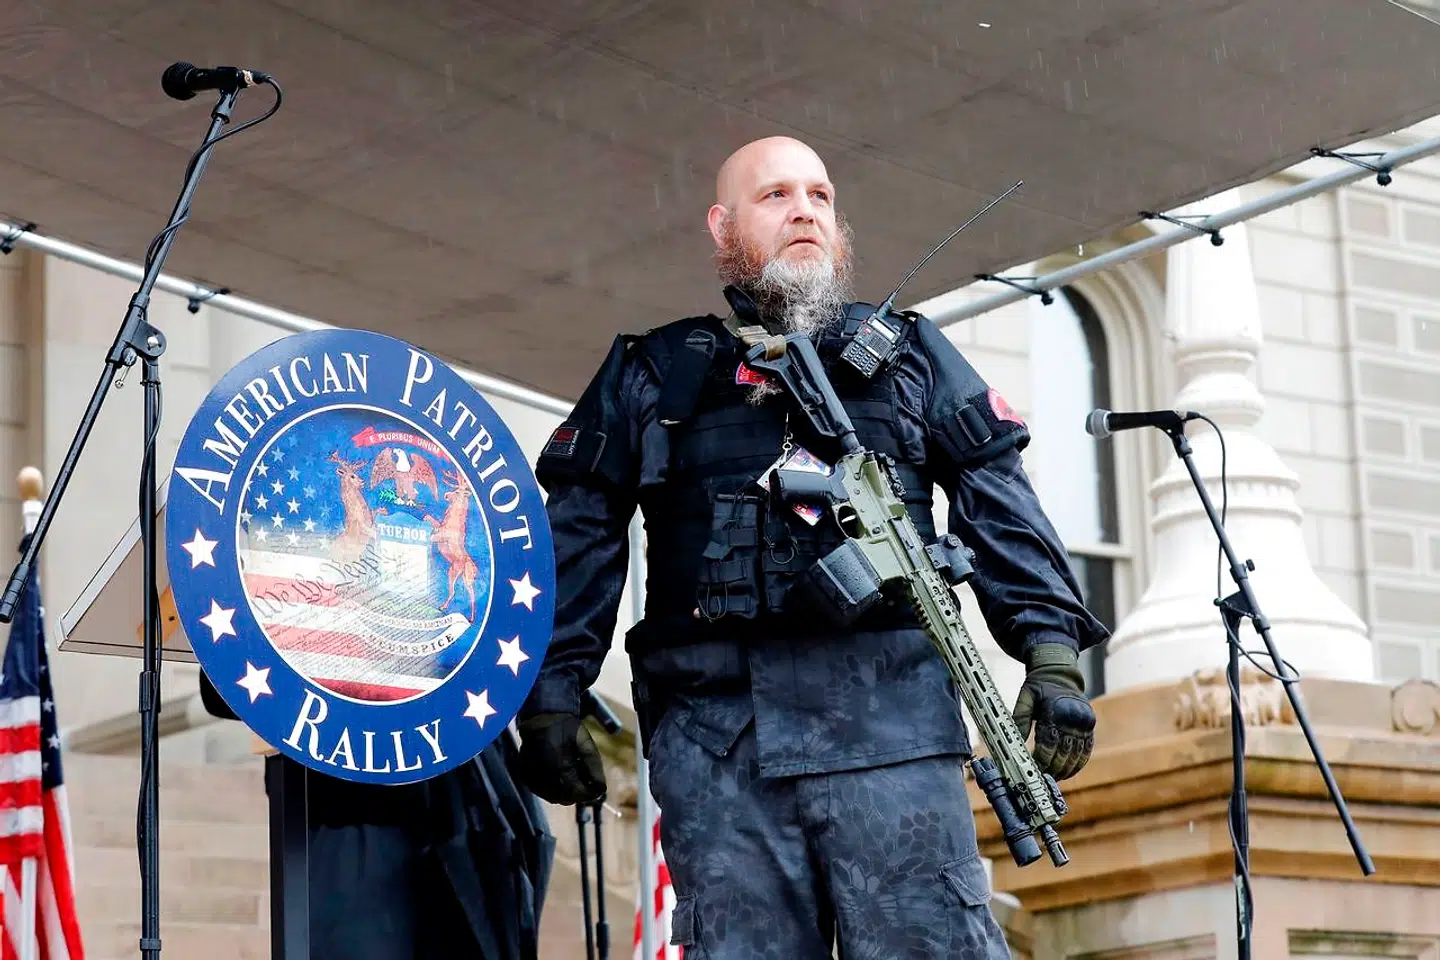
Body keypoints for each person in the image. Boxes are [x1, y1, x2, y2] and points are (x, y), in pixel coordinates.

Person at [515, 135, 1110, 958]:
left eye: (820, 196)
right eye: (776, 196)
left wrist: (1050, 654)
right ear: (723, 227)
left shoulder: (906, 358)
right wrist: (550, 689)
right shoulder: (653, 374)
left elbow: (1001, 505)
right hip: (720, 748)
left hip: (890, 735)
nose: (804, 210)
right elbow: (578, 538)